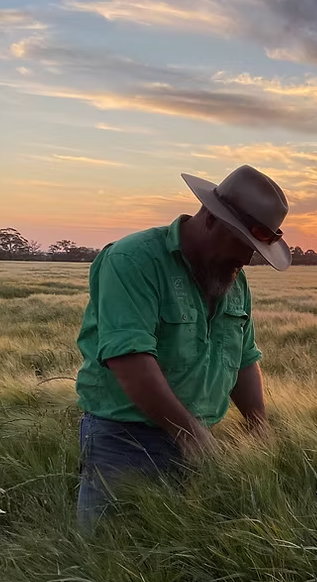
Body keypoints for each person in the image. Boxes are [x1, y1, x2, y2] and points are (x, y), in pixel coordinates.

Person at [74, 165, 291, 531]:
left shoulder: (232, 280)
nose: (246, 259)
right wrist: (190, 433)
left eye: (256, 251)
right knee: (110, 560)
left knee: (175, 564)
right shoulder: (133, 261)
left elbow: (243, 358)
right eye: (242, 243)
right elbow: (130, 358)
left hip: (201, 438)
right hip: (125, 443)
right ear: (210, 219)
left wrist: (258, 427)